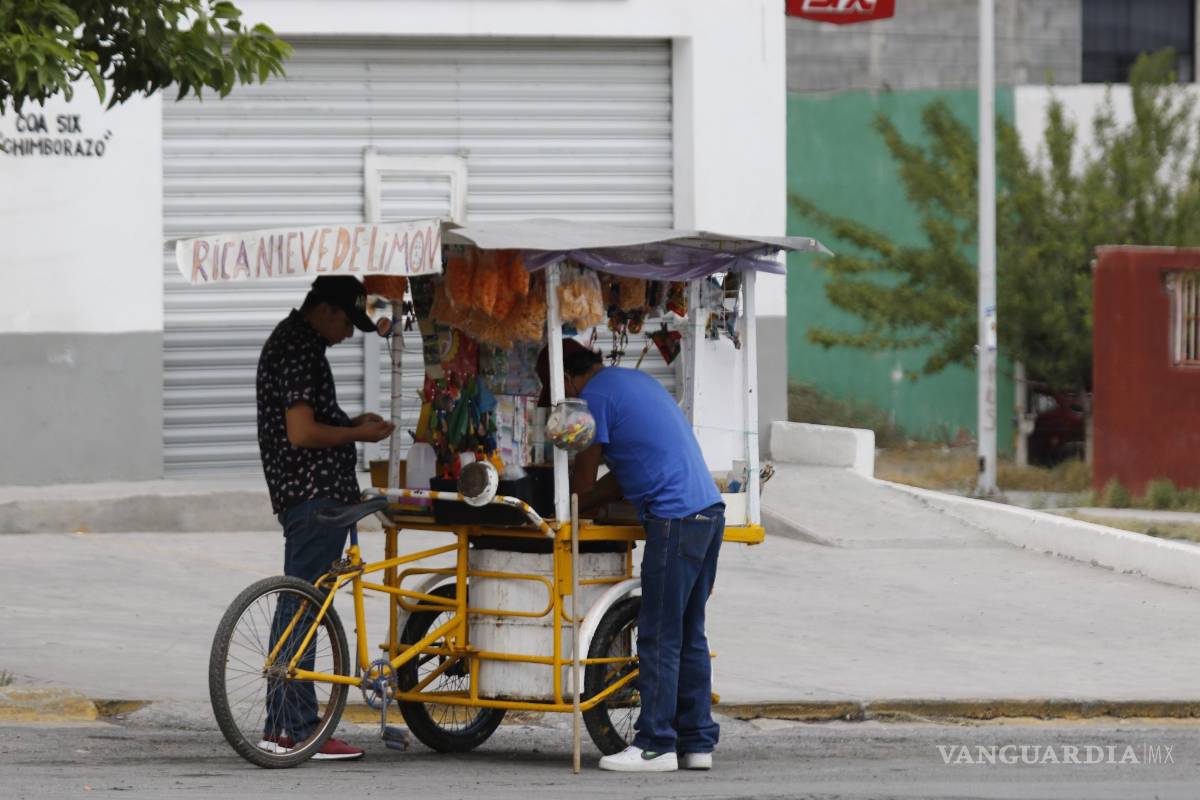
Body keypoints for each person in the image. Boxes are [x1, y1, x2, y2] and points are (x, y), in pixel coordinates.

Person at [538, 340, 725, 773]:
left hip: (675, 520)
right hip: (707, 514)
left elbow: (583, 476)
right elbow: (621, 476)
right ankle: (696, 743)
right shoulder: (632, 382)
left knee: (659, 634)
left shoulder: (595, 398)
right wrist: (591, 499)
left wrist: (568, 501)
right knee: (688, 632)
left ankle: (655, 744)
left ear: (565, 379)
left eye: (550, 386)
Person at [256, 275, 394, 761]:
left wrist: (352, 424)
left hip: (310, 494)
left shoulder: (296, 343)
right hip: (312, 496)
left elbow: (314, 419)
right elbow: (300, 432)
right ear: (326, 310)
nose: (349, 334)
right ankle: (297, 727)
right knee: (304, 607)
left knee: (301, 604)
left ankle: (281, 728)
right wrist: (359, 438)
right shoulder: (298, 348)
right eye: (347, 322)